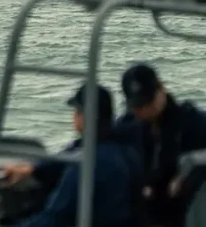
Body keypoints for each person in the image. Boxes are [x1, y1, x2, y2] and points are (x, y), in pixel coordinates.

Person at [15, 83, 143, 227]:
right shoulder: (126, 150)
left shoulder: (84, 164)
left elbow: (53, 219)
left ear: (84, 117)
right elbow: (69, 154)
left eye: (77, 111)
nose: (74, 116)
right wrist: (35, 169)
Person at [115, 62, 206, 227]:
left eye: (148, 102)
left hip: (182, 211)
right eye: (138, 106)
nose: (144, 110)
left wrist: (187, 174)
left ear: (161, 89)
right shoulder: (127, 127)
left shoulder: (191, 121)